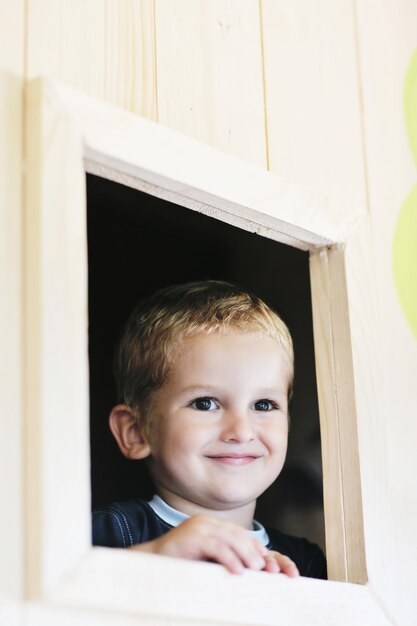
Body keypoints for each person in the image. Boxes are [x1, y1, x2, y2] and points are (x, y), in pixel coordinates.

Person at [92, 280, 327, 579]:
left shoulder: (305, 562)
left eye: (264, 405)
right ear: (136, 432)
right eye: (205, 403)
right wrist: (154, 557)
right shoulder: (114, 532)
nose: (241, 431)